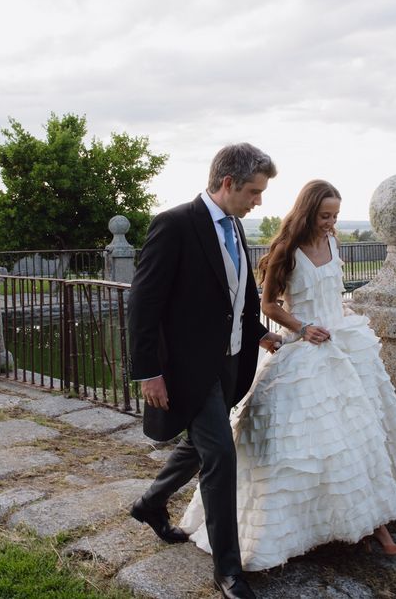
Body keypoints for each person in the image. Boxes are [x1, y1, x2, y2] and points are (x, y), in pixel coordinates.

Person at [180, 179, 396, 571]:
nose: (331, 223)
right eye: (325, 216)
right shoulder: (286, 251)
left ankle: (377, 532)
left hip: (346, 348)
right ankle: (291, 533)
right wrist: (302, 327)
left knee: (361, 441)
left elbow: (335, 293)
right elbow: (268, 304)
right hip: (306, 349)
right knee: (300, 448)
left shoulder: (333, 244)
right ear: (307, 211)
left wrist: (341, 319)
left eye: (335, 216)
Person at [128, 143, 282, 599]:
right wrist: (148, 371)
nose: (259, 201)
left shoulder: (235, 227)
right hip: (188, 368)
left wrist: (259, 333)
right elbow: (144, 305)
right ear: (228, 183)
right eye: (254, 191)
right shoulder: (174, 225)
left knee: (199, 446)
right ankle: (228, 572)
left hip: (229, 362)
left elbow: (234, 298)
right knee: (220, 456)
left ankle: (150, 504)